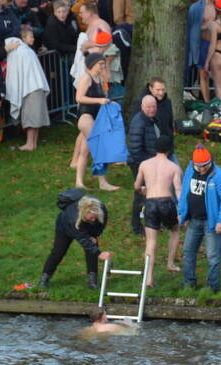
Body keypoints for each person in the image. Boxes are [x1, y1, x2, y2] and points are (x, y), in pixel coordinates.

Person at [178, 145, 221, 292]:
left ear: (210, 162)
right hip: (193, 220)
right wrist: (183, 213)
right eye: (199, 166)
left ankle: (212, 287)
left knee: (212, 256)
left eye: (204, 166)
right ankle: (188, 283)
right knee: (188, 252)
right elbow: (185, 192)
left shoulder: (219, 175)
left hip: (211, 223)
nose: (201, 169)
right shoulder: (190, 170)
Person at [134, 135, 183, 287]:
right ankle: (170, 263)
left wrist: (144, 190)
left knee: (151, 241)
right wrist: (181, 210)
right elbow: (178, 190)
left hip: (150, 203)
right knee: (175, 230)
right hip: (166, 202)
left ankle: (149, 278)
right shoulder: (174, 167)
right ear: (169, 149)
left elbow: (137, 186)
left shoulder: (144, 164)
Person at [39, 191, 111, 289]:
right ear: (84, 212)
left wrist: (94, 235)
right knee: (58, 252)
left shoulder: (101, 210)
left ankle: (92, 281)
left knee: (92, 249)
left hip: (85, 226)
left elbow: (101, 225)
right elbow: (83, 239)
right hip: (65, 227)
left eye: (96, 217)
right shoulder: (73, 218)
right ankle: (44, 279)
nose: (94, 220)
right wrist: (99, 253)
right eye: (92, 218)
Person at [73, 53, 119, 191]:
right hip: (85, 116)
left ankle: (79, 182)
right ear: (92, 64)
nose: (103, 66)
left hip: (96, 117)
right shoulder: (86, 78)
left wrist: (109, 102)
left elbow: (103, 99)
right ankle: (102, 182)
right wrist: (99, 100)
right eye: (101, 64)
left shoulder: (99, 79)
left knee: (85, 151)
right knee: (99, 147)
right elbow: (79, 98)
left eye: (104, 64)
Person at [4, 26, 49, 152]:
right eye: (31, 36)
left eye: (33, 36)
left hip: (32, 87)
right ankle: (32, 143)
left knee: (32, 117)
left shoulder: (26, 51)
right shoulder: (23, 51)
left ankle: (31, 143)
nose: (33, 39)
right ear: (23, 38)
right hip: (33, 86)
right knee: (32, 117)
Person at [127, 95, 160, 235]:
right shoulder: (139, 122)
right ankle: (137, 227)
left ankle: (152, 222)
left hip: (149, 162)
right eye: (148, 107)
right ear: (142, 107)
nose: (152, 109)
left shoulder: (151, 120)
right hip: (140, 164)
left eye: (154, 107)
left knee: (151, 194)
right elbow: (135, 150)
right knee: (141, 195)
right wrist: (148, 165)